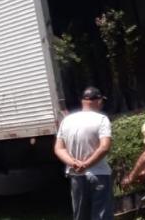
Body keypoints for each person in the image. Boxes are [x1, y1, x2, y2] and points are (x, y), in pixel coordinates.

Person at [54, 87, 114, 220]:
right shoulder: (102, 119)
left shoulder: (67, 120)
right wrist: (86, 164)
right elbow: (104, 147)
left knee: (81, 216)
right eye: (101, 101)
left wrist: (74, 163)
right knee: (101, 215)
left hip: (76, 175)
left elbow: (59, 148)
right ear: (97, 101)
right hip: (99, 174)